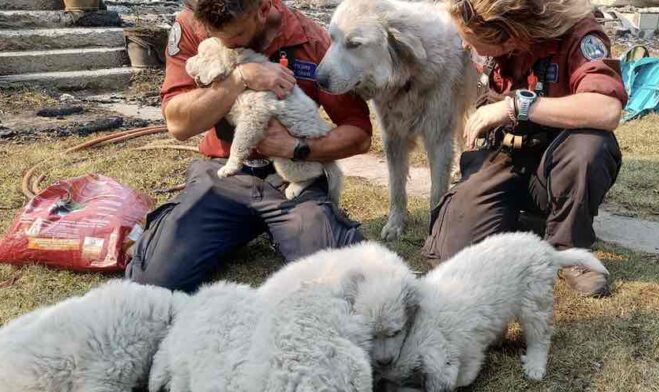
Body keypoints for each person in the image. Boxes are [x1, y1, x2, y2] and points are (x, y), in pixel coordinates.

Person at [126, 0, 372, 292]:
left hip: (290, 178)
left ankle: (290, 227)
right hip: (223, 175)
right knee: (153, 282)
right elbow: (179, 125)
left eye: (237, 35)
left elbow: (359, 134)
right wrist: (240, 78)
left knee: (342, 281)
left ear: (263, 9)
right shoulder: (195, 25)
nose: (225, 43)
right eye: (217, 36)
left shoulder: (310, 38)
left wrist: (297, 148)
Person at [422, 0, 627, 297]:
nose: (465, 46)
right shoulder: (489, 43)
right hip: (502, 156)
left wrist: (517, 106)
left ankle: (570, 248)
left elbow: (606, 109)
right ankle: (520, 223)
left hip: (556, 161)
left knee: (590, 147)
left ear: (508, 33)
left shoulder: (578, 35)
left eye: (468, 37)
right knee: (453, 252)